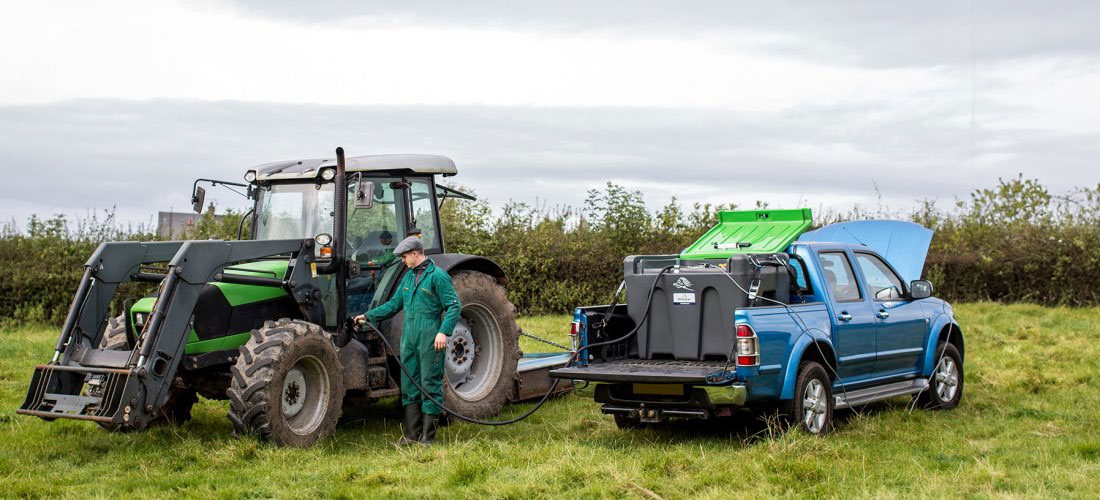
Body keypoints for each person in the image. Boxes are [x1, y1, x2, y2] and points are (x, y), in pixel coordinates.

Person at [354, 236, 461, 446]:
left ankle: (428, 438)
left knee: (429, 383)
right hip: (409, 335)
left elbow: (454, 306)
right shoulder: (408, 278)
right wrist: (369, 316)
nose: (403, 261)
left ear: (415, 253)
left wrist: (443, 332)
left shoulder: (438, 276)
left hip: (430, 334)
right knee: (410, 383)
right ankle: (412, 436)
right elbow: (394, 305)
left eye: (404, 257)